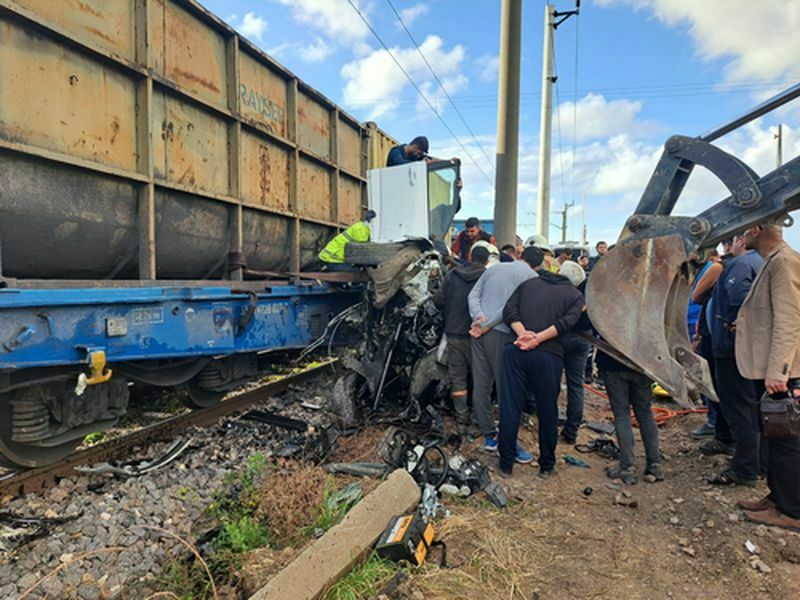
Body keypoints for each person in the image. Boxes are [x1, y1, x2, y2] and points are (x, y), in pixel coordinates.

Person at [735, 223, 800, 530]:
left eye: (743, 231)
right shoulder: (772, 261)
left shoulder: (784, 262)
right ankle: (777, 498)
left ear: (756, 228)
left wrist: (779, 371)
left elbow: (789, 320)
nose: (739, 237)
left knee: (787, 439)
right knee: (774, 437)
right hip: (776, 370)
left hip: (786, 373)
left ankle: (792, 509)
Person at [498, 247, 584, 477]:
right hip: (548, 357)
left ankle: (505, 464)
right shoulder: (575, 296)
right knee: (548, 412)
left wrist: (523, 334)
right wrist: (536, 338)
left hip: (515, 351)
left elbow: (509, 311)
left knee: (509, 408)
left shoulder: (529, 284)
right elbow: (567, 323)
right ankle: (546, 465)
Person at [468, 247, 539, 455]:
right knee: (506, 388)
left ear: (520, 256)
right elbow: (509, 307)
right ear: (537, 264)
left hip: (477, 332)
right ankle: (509, 441)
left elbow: (473, 296)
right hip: (501, 333)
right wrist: (488, 324)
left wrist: (479, 318)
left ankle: (489, 435)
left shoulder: (493, 269)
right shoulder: (531, 276)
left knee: (481, 384)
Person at [706, 236, 764, 487]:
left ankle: (745, 468)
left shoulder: (740, 265)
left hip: (731, 351)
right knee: (753, 408)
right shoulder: (762, 262)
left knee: (739, 408)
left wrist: (733, 327)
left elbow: (738, 303)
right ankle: (758, 462)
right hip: (751, 351)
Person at [433, 246, 490, 433]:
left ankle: (461, 418)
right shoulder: (489, 277)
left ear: (470, 257)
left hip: (454, 333)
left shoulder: (453, 274)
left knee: (458, 377)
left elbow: (439, 300)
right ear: (487, 260)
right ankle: (478, 417)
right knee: (480, 376)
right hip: (479, 336)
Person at [598, 346, 663, 484]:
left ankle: (627, 468)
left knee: (622, 414)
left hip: (612, 362)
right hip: (642, 362)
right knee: (645, 412)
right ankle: (654, 464)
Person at [557, 260, 591, 444]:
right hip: (583, 339)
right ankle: (571, 431)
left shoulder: (559, 292)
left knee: (553, 382)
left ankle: (550, 421)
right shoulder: (588, 291)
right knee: (576, 385)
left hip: (560, 338)